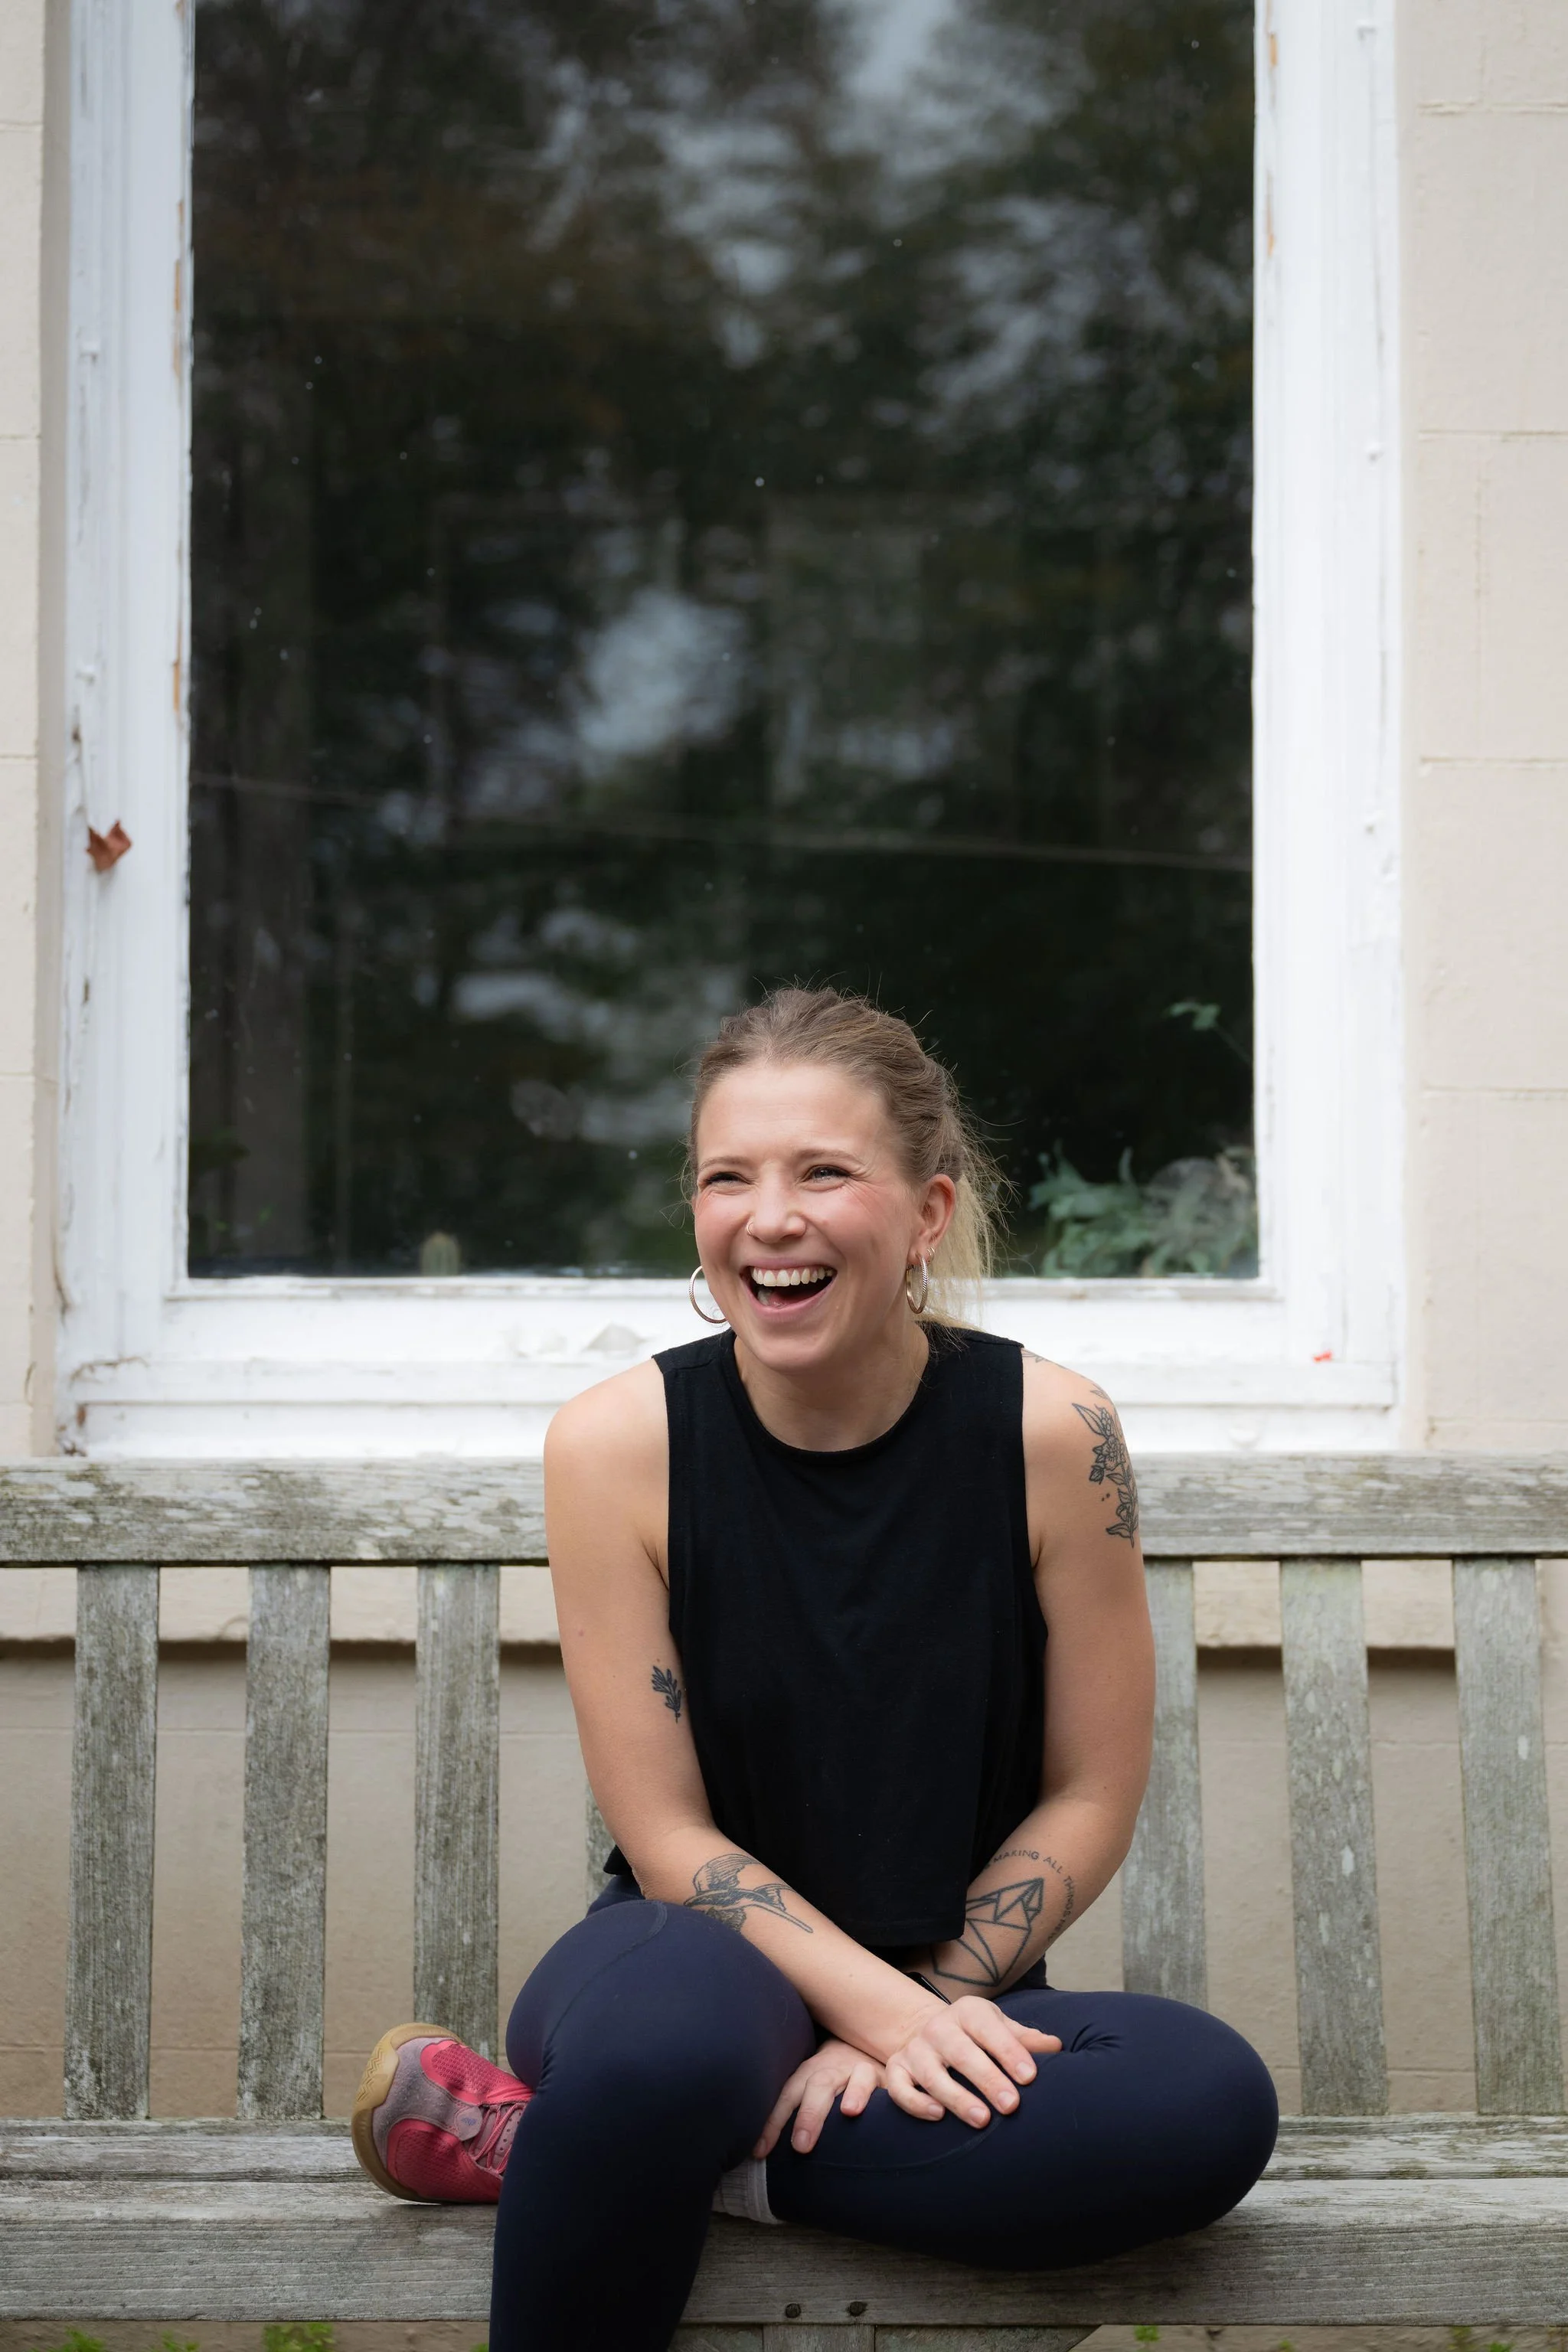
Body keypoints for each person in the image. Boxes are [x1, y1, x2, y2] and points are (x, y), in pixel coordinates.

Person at [351, 986, 1278, 2352]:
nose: (768, 1218)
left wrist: (919, 2012)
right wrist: (874, 2014)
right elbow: (664, 1830)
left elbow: (1093, 1788)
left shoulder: (1054, 1433)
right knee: (668, 2058)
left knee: (1204, 2102)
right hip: (686, 1963)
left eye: (823, 1173)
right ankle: (632, 2124)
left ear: (927, 1214)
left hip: (958, 1986)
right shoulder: (618, 1446)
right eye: (728, 1178)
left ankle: (558, 2152)